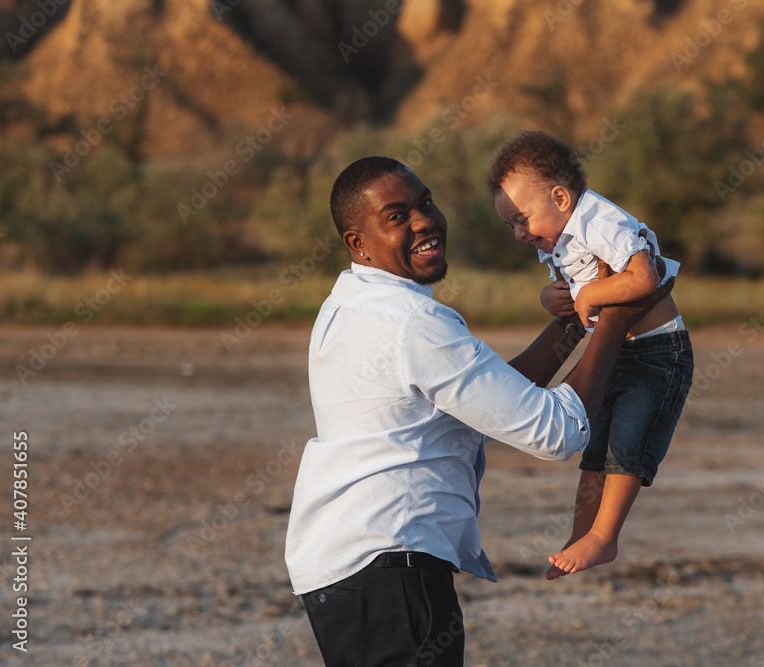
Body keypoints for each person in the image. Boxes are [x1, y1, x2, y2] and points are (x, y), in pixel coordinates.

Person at [284, 156, 674, 666]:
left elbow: (493, 401)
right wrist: (615, 320)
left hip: (347, 568)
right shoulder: (412, 323)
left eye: (425, 203)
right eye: (397, 216)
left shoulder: (348, 304)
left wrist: (577, 320)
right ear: (358, 243)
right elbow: (557, 432)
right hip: (390, 564)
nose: (423, 221)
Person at [488, 130, 695, 580]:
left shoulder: (598, 220)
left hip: (657, 352)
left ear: (560, 198)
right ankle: (582, 534)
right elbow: (570, 292)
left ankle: (605, 536)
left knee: (626, 448)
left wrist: (594, 293)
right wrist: (551, 297)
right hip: (616, 351)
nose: (519, 234)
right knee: (595, 450)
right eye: (511, 227)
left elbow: (645, 277)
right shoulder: (557, 236)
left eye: (522, 220)